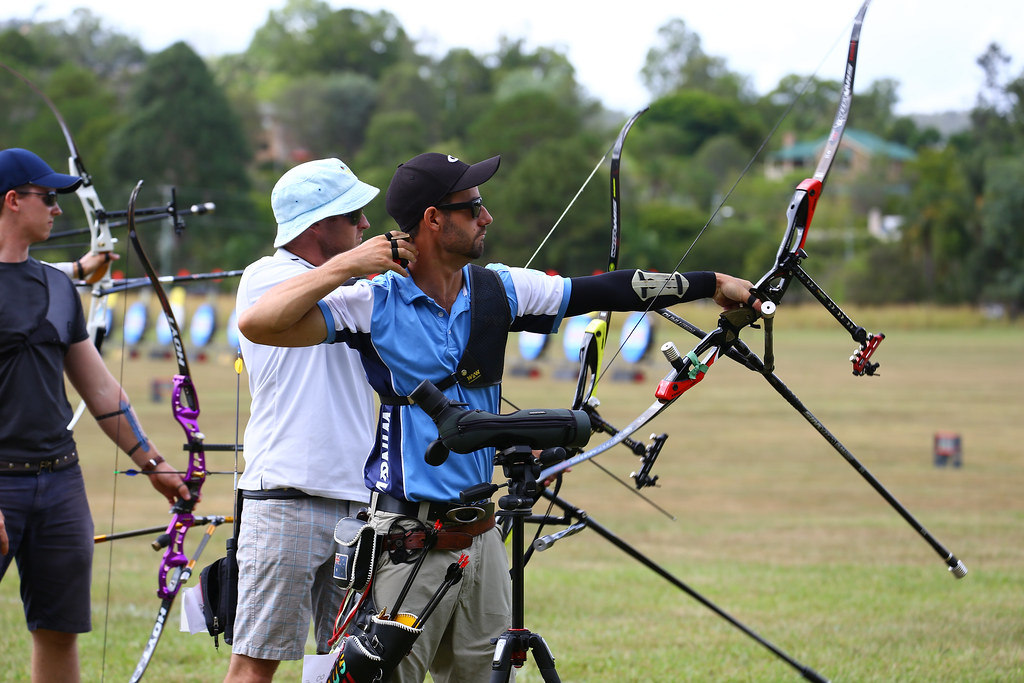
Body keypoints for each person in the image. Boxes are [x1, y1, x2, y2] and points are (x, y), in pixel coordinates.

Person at [238, 152, 759, 682]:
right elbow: (259, 323)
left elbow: (604, 288)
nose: (487, 218)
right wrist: (347, 265)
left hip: (482, 539)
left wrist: (710, 281)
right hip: (405, 540)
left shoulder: (499, 288)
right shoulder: (369, 301)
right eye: (473, 207)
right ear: (433, 219)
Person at [0, 148, 189, 683]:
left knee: (58, 630)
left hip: (59, 483)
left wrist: (153, 464)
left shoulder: (58, 286)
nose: (58, 208)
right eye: (48, 197)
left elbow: (100, 387)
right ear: (13, 201)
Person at [225, 158, 409, 682]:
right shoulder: (268, 276)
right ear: (318, 223)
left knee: (352, 667)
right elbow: (266, 315)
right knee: (254, 666)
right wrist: (351, 266)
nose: (366, 226)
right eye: (354, 214)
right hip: (285, 500)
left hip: (358, 507)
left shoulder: (348, 289)